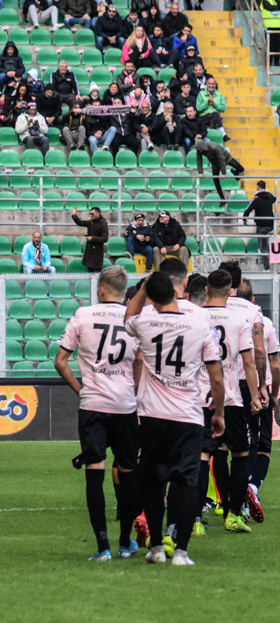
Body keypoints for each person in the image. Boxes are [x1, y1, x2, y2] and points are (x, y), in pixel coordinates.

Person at [123, 272, 225, 566]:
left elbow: (128, 316)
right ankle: (181, 551)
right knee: (186, 481)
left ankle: (156, 547)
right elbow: (216, 376)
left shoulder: (145, 323)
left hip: (152, 415)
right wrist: (219, 413)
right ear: (176, 292)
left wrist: (144, 288)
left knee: (153, 481)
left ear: (152, 299)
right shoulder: (199, 325)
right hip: (188, 415)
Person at [54, 266, 141, 562]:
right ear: (123, 291)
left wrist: (81, 389)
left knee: (95, 471)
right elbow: (140, 360)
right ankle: (126, 542)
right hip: (125, 405)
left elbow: (60, 360)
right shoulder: (133, 319)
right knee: (127, 472)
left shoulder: (83, 315)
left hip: (93, 405)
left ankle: (103, 547)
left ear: (101, 289)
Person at [201, 269, 262, 534]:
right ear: (230, 292)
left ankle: (195, 519)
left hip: (200, 398)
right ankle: (233, 514)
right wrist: (255, 396)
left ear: (206, 290)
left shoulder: (195, 317)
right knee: (240, 453)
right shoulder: (239, 320)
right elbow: (248, 362)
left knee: (204, 455)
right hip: (231, 397)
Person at [249, 311, 280, 511]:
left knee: (227, 449)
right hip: (258, 388)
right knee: (263, 444)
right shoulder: (263, 322)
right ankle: (252, 487)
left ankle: (224, 502)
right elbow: (274, 363)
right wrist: (273, 394)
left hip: (231, 389)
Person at [243, 181, 277, 268]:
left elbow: (247, 211)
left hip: (262, 226)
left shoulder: (255, 200)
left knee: (263, 248)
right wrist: (267, 192)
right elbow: (274, 197)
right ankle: (259, 247)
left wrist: (244, 220)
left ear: (258, 187)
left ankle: (267, 268)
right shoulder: (270, 197)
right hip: (270, 224)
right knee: (259, 231)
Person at [71, 206, 109, 273]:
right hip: (89, 252)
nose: (90, 215)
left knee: (96, 274)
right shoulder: (91, 222)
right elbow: (80, 222)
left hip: (97, 253)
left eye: (92, 214)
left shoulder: (103, 224)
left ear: (98, 214)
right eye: (90, 214)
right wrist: (74, 215)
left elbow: (105, 238)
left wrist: (92, 238)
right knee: (88, 273)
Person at [260, 0, 280, 67]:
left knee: (277, 45)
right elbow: (269, 7)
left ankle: (277, 62)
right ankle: (269, 62)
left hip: (279, 26)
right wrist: (278, 7)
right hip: (269, 26)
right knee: (269, 45)